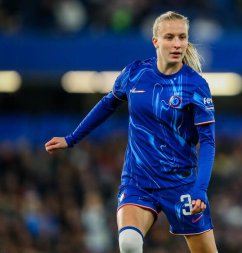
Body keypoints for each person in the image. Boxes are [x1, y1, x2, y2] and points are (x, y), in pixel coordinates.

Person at [45, 11, 218, 253]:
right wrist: (72, 139)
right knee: (128, 244)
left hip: (181, 184)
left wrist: (200, 189)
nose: (177, 44)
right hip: (138, 181)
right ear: (155, 41)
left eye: (182, 37)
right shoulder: (135, 73)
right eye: (169, 37)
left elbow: (208, 142)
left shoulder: (196, 86)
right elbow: (107, 104)